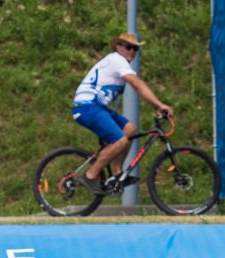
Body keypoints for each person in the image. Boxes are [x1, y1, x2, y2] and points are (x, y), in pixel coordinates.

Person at [72, 32, 174, 193]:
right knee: (120, 141)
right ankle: (90, 176)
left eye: (135, 49)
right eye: (128, 47)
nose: (132, 52)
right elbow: (137, 84)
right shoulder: (117, 60)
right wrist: (158, 105)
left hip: (97, 107)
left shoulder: (118, 62)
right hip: (88, 106)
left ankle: (117, 172)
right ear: (118, 47)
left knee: (130, 129)